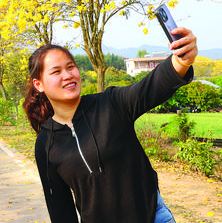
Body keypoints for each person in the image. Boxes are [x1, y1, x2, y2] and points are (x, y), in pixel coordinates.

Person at [23, 28, 197, 223]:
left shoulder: (111, 103)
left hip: (152, 217)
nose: (67, 75)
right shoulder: (46, 144)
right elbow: (60, 209)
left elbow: (151, 87)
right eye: (56, 71)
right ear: (39, 84)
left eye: (71, 67)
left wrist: (180, 62)